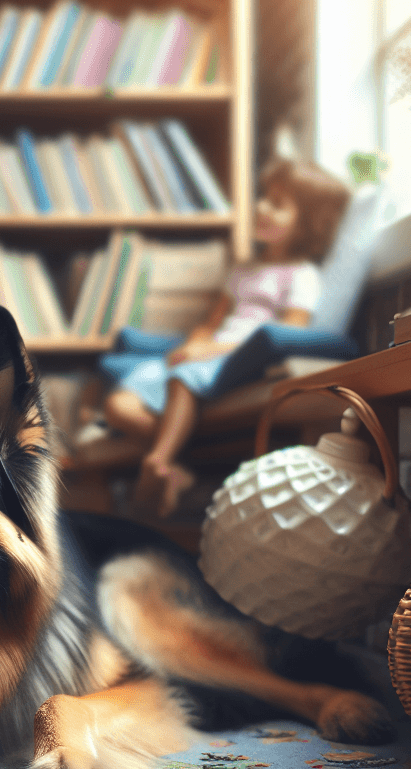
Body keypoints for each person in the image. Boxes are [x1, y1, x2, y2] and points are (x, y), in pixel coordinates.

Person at [94, 158, 351, 517]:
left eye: (277, 205)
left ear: (306, 225)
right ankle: (178, 470)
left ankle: (159, 460)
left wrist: (210, 351)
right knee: (119, 403)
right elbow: (212, 320)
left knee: (185, 379)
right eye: (263, 197)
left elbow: (289, 335)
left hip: (239, 359)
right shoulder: (244, 269)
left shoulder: (301, 275)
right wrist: (192, 344)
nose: (261, 207)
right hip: (206, 352)